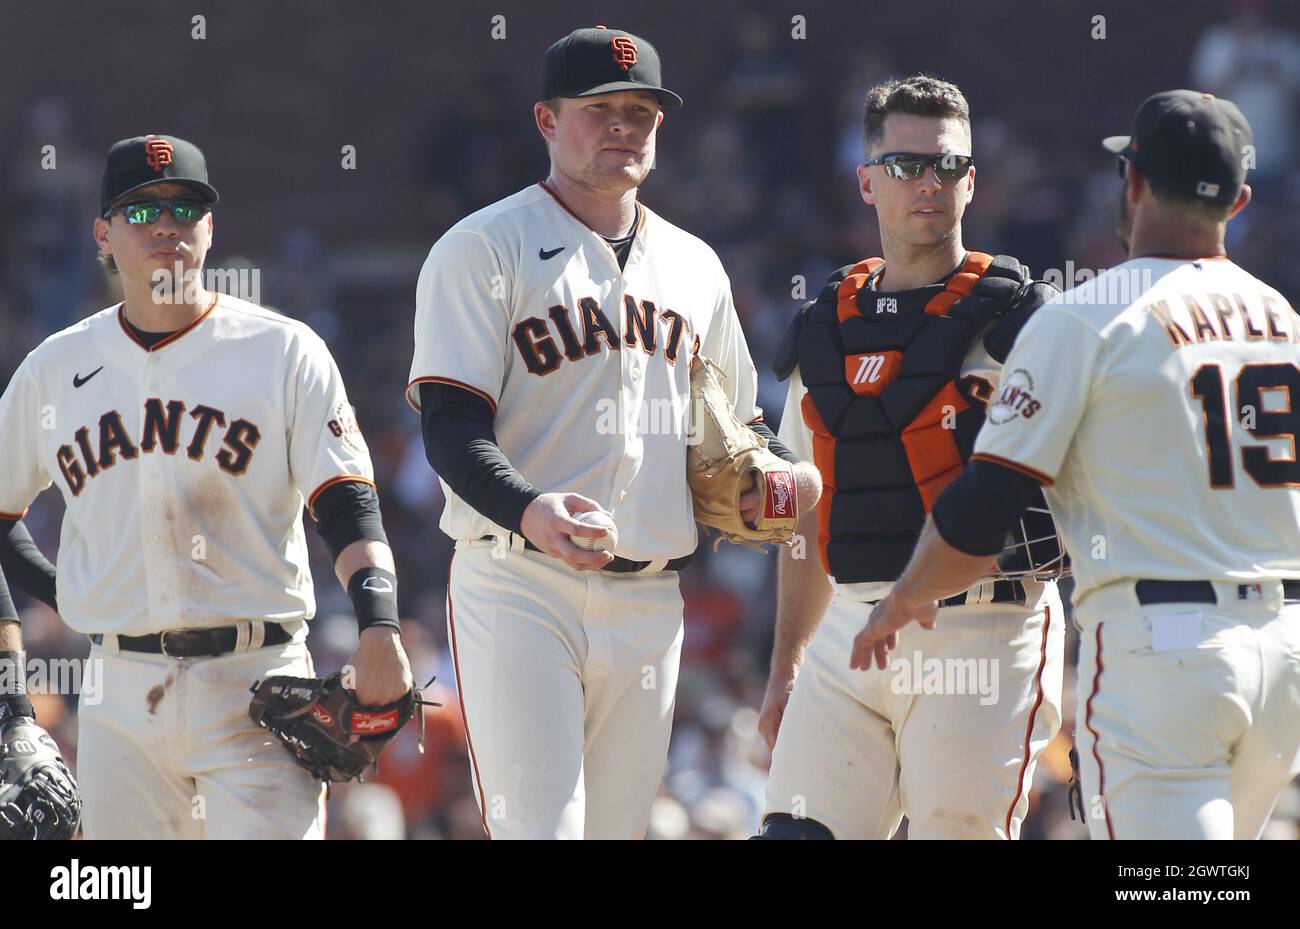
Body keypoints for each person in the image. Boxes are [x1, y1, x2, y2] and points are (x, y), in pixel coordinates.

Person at [407, 25, 820, 839]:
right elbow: (451, 426)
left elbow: (740, 428)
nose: (625, 126)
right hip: (520, 583)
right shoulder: (485, 247)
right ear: (546, 121)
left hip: (651, 594)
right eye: (600, 109)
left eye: (642, 111)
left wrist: (773, 475)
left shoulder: (695, 265)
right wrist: (529, 508)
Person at [853, 90, 1300, 840]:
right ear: (1239, 199)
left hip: (1165, 649)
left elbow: (983, 508)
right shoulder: (1283, 318)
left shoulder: (1086, 316)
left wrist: (902, 599)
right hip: (1284, 650)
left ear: (1130, 182)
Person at [0, 133, 413, 839]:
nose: (166, 224)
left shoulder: (282, 350)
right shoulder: (53, 369)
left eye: (185, 207)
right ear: (102, 232)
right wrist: (55, 605)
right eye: (140, 210)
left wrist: (378, 621)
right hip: (119, 696)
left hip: (252, 684)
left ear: (210, 228)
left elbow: (347, 502)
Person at [757, 75, 1067, 840]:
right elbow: (806, 510)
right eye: (904, 166)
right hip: (846, 632)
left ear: (972, 182)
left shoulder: (1031, 325)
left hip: (984, 634)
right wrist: (785, 662)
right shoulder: (820, 331)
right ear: (865, 181)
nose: (929, 183)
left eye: (949, 166)